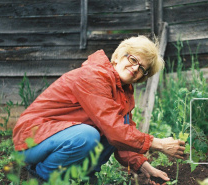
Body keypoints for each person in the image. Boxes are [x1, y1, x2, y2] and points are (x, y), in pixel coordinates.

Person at [12, 35, 186, 184]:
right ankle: (41, 177)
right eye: (133, 60)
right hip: (33, 140)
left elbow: (122, 136)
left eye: (142, 69)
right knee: (88, 135)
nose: (135, 69)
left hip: (59, 139)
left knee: (119, 123)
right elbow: (114, 131)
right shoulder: (94, 76)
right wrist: (160, 144)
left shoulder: (123, 93)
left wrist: (144, 167)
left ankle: (83, 178)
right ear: (117, 57)